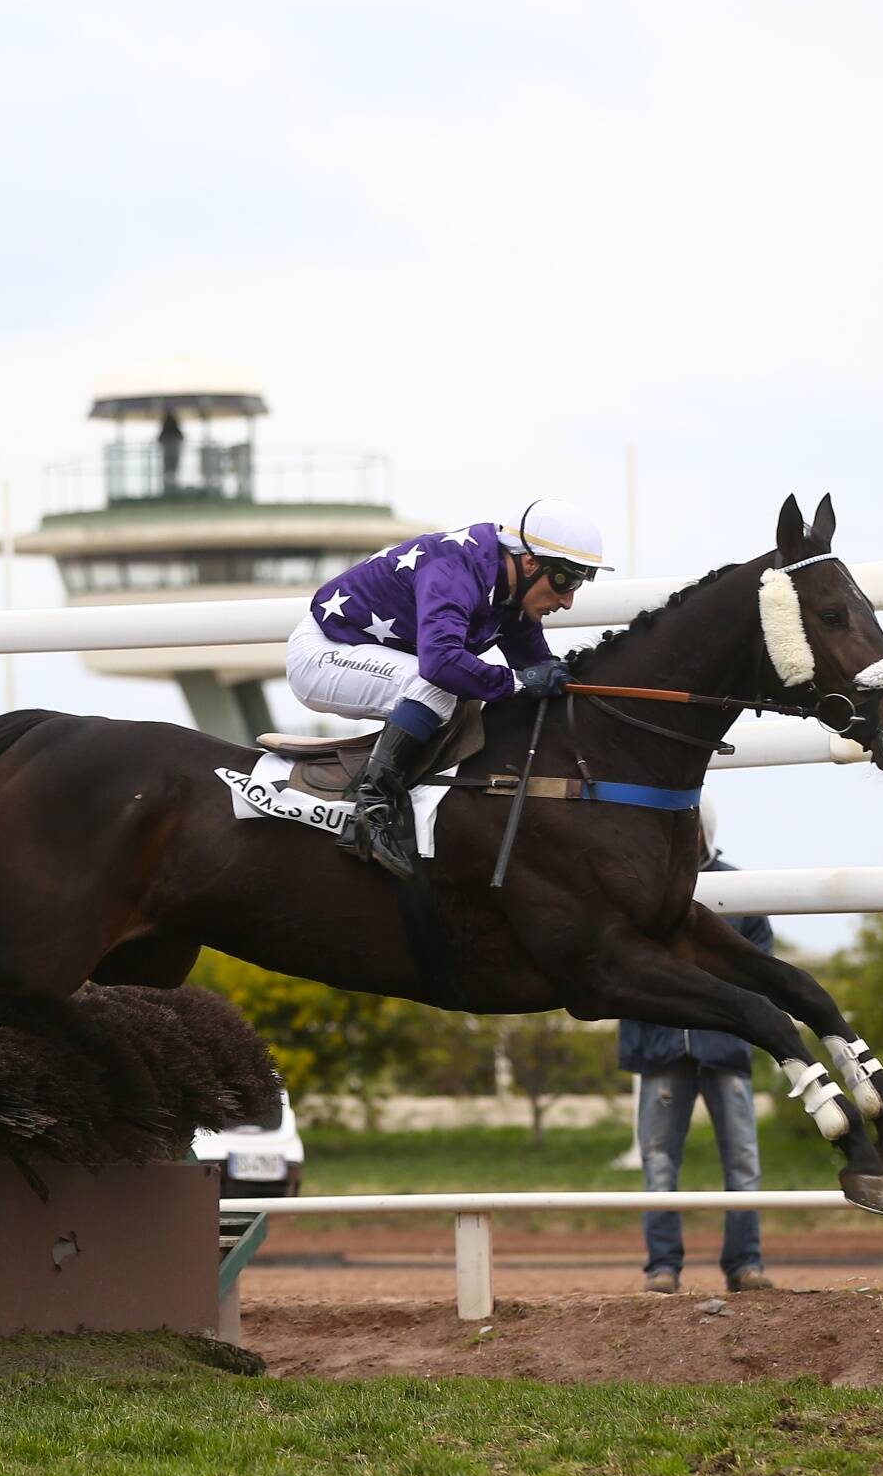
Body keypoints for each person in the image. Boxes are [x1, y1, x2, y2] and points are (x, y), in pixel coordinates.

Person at [285, 497, 610, 877]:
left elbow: (540, 672)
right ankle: (368, 813)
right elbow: (441, 664)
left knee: (466, 691)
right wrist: (516, 682)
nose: (568, 601)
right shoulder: (456, 569)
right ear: (529, 562)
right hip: (323, 653)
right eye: (564, 580)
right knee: (437, 689)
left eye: (579, 583)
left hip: (367, 651)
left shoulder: (512, 591)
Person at [618, 797, 775, 1295]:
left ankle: (745, 1266)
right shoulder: (639, 890)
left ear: (704, 828)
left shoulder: (740, 890)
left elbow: (762, 972)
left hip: (726, 1048)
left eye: (690, 825)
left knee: (743, 1164)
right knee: (658, 1165)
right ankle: (662, 1268)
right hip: (661, 1048)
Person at [156, 408, 185, 494]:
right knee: (172, 472)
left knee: (169, 472)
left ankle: (170, 490)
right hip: (173, 454)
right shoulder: (174, 428)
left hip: (169, 454)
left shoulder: (168, 428)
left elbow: (160, 439)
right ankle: (171, 490)